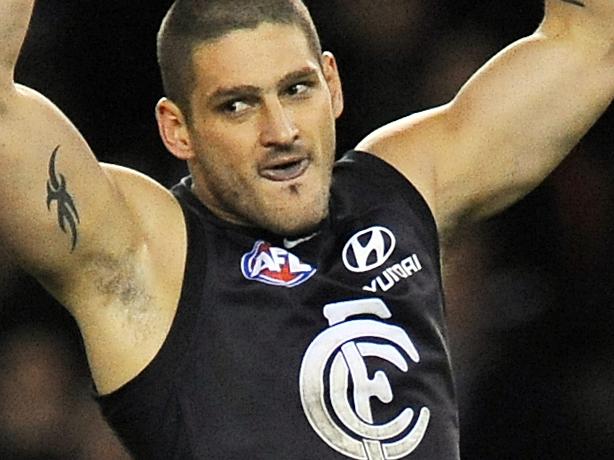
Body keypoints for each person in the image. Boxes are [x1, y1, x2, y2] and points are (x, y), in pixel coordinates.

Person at [1, 0, 612, 458]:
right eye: (236, 105)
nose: (281, 131)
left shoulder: (402, 191)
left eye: (296, 90)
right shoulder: (143, 257)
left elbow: (592, 41)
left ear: (332, 83)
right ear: (176, 128)